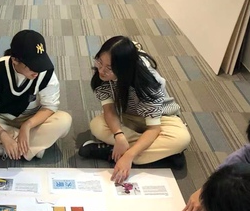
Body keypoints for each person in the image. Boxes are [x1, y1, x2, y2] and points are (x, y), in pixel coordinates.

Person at [79, 36, 190, 183]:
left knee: (181, 139)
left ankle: (113, 152)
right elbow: (109, 110)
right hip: (129, 117)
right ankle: (162, 154)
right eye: (99, 62)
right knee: (97, 125)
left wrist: (129, 156)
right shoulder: (102, 76)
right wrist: (119, 135)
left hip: (161, 117)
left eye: (109, 68)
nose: (102, 71)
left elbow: (154, 129)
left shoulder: (147, 81)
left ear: (124, 69)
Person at [0, 30, 72, 161]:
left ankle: (6, 147)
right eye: (31, 66)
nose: (37, 71)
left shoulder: (46, 72)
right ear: (15, 60)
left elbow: (49, 107)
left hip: (32, 118)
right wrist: (1, 134)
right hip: (1, 118)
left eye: (40, 64)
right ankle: (30, 147)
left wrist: (27, 126)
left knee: (64, 121)